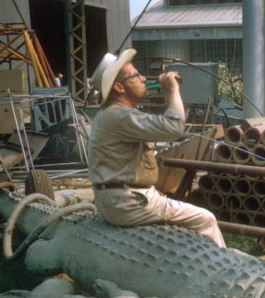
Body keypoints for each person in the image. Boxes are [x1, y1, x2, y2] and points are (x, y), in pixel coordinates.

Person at [88, 49, 225, 247]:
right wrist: (172, 90)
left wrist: (148, 189)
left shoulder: (113, 114)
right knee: (206, 219)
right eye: (135, 75)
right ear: (119, 87)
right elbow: (174, 127)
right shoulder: (119, 116)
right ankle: (222, 272)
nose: (143, 78)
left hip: (117, 199)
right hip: (127, 203)